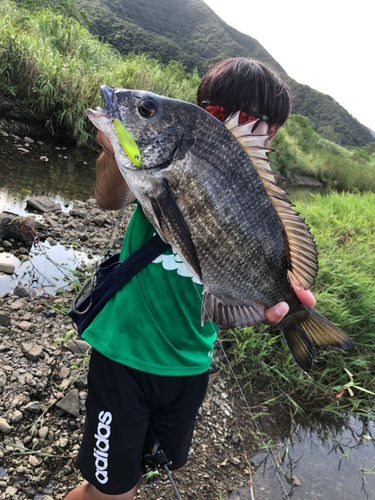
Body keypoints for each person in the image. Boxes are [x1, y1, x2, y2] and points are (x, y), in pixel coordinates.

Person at [65, 58, 315, 500]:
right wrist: (113, 148)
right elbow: (107, 200)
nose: (233, 128)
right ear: (199, 111)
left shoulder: (261, 201)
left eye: (254, 123)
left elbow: (266, 275)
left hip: (190, 366)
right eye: (218, 115)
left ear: (270, 134)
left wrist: (273, 301)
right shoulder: (164, 158)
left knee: (146, 468)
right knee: (107, 491)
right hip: (124, 352)